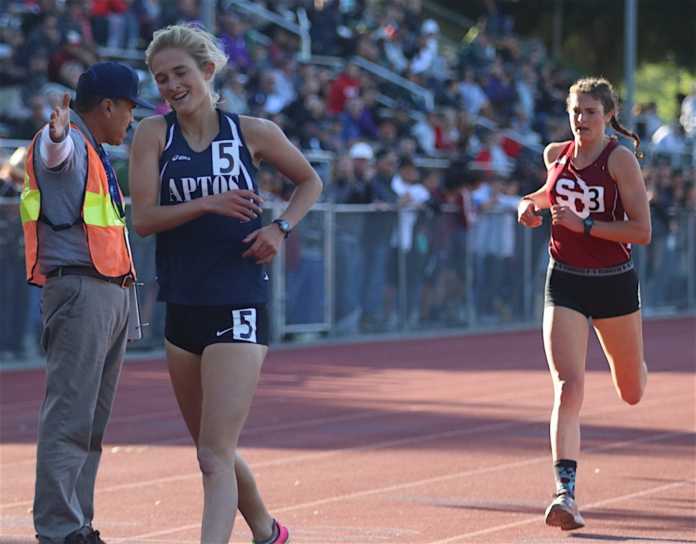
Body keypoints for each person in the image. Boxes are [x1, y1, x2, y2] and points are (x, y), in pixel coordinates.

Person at [128, 24, 322, 544]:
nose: (170, 86)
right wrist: (210, 203)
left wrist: (280, 228)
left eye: (180, 73)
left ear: (208, 71)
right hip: (182, 306)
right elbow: (143, 218)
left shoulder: (251, 132)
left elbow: (309, 180)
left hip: (238, 302)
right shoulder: (153, 134)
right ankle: (266, 529)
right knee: (212, 450)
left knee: (214, 456)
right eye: (160, 78)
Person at [19, 61, 151, 543]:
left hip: (106, 293)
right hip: (81, 291)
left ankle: (77, 523)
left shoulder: (95, 150)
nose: (131, 122)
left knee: (91, 421)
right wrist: (55, 137)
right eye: (130, 110)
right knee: (71, 415)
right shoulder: (70, 140)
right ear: (108, 105)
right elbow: (57, 155)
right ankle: (58, 528)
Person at [517, 77, 651, 531]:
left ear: (609, 115)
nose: (581, 120)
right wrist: (527, 206)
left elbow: (641, 231)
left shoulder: (621, 160)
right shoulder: (557, 155)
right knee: (567, 387)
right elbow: (545, 198)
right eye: (576, 111)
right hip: (566, 281)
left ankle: (636, 366)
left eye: (591, 112)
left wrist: (586, 226)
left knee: (631, 391)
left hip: (613, 283)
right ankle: (565, 494)